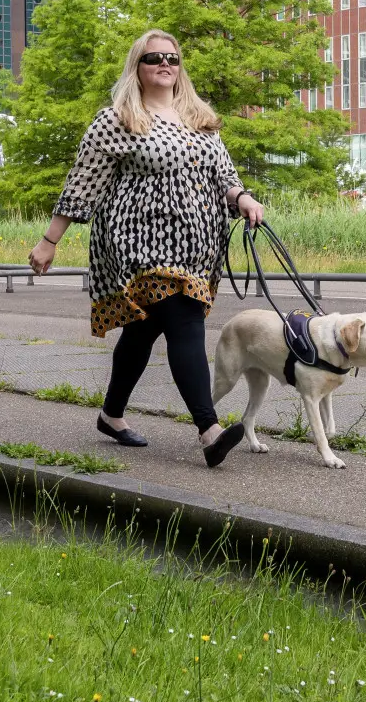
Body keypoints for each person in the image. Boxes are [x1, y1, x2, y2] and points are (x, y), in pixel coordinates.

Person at [29, 29, 263, 467]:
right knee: (183, 316)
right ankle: (209, 431)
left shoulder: (199, 118)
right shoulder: (116, 119)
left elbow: (225, 178)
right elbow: (81, 186)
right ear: (137, 66)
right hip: (138, 241)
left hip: (197, 249)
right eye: (154, 57)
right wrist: (49, 242)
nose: (165, 64)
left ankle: (111, 414)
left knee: (144, 329)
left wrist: (243, 199)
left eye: (172, 58)